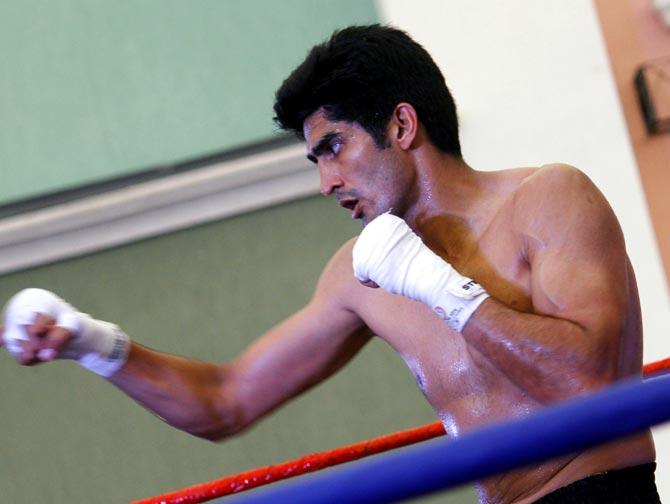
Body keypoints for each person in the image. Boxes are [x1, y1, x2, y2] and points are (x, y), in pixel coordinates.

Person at [0, 25, 661, 503]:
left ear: (402, 127)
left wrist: (437, 285)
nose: (326, 182)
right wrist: (91, 343)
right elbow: (225, 401)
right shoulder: (363, 275)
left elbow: (589, 385)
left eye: (335, 147)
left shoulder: (548, 198)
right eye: (316, 160)